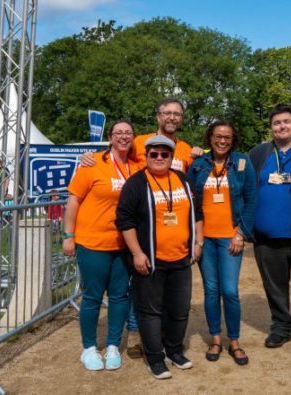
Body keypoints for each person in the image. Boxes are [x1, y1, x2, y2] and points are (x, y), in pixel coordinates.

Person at [116, 135, 203, 380]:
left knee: (180, 310)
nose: (159, 158)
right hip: (150, 262)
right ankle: (155, 358)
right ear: (146, 156)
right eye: (154, 154)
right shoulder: (136, 183)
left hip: (181, 260)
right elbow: (125, 220)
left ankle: (175, 351)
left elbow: (198, 212)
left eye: (164, 154)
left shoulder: (183, 181)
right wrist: (137, 253)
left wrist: (198, 242)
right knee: (150, 312)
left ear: (171, 157)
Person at [62, 119, 137, 372]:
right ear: (110, 137)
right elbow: (73, 200)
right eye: (119, 133)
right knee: (93, 296)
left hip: (123, 243)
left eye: (128, 133)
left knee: (119, 296)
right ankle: (89, 348)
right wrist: (68, 235)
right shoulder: (93, 162)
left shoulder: (137, 166)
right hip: (93, 241)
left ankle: (114, 344)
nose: (124, 137)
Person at [188, 120, 257, 366]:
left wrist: (241, 235)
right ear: (210, 138)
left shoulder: (241, 162)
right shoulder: (198, 165)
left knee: (229, 290)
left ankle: (234, 341)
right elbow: (190, 201)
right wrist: (196, 237)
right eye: (218, 136)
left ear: (233, 139)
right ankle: (216, 339)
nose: (222, 141)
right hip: (205, 239)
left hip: (231, 238)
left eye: (227, 137)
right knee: (211, 291)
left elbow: (251, 200)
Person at [248, 104, 291, 348]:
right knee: (275, 287)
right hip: (267, 237)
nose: (282, 126)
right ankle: (282, 326)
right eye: (276, 123)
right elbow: (245, 187)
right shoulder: (259, 153)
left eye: (286, 121)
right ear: (271, 127)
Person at [132, 98, 204, 172]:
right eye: (167, 113)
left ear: (181, 118)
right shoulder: (138, 142)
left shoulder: (187, 149)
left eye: (177, 114)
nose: (172, 118)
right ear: (158, 117)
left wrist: (200, 157)